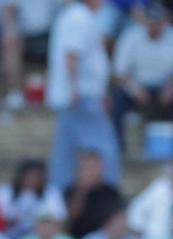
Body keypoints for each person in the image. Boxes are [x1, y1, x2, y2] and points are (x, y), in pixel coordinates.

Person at [46, 0, 118, 190]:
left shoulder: (76, 16)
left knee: (65, 152)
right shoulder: (78, 18)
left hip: (78, 95)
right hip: (82, 96)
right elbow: (71, 53)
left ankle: (58, 196)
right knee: (105, 147)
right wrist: (74, 88)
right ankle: (109, 191)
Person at [110, 4, 173, 155]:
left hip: (167, 87)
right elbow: (119, 72)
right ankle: (117, 147)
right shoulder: (130, 36)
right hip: (138, 86)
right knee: (118, 95)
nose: (154, 26)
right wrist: (134, 88)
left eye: (157, 22)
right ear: (144, 21)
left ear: (164, 22)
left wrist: (172, 88)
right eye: (150, 22)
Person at [64, 150, 122, 239]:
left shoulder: (109, 192)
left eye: (95, 167)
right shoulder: (72, 191)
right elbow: (69, 221)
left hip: (103, 237)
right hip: (78, 238)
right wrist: (82, 190)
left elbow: (118, 216)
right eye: (88, 167)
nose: (92, 171)